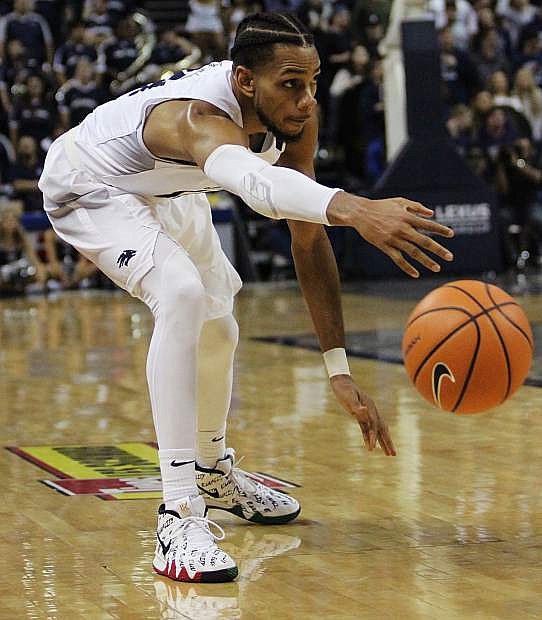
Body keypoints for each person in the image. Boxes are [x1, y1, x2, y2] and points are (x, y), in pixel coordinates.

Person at [38, 12, 454, 584]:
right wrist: (357, 209)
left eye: (312, 81)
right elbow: (258, 188)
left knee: (220, 322)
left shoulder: (293, 112)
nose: (307, 100)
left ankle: (213, 470)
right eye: (291, 84)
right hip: (91, 184)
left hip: (168, 187)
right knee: (181, 293)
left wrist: (337, 368)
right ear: (243, 81)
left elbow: (306, 234)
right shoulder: (195, 117)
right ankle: (178, 514)